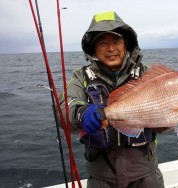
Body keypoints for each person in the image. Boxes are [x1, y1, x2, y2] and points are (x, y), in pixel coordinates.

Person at [59, 11, 165, 188]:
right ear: (93, 48)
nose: (110, 49)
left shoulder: (148, 75)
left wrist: (171, 115)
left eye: (116, 41)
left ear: (126, 44)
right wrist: (80, 113)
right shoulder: (80, 77)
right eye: (102, 42)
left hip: (145, 174)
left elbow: (166, 125)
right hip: (101, 177)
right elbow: (65, 107)